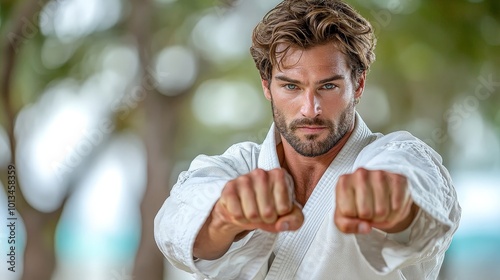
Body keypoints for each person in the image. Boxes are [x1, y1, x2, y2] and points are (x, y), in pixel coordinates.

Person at [154, 0, 461, 279]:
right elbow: (175, 226)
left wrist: (396, 206)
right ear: (267, 86)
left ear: (358, 84)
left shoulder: (391, 158)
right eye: (291, 87)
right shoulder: (236, 170)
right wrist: (225, 217)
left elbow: (424, 192)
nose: (310, 109)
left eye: (328, 87)